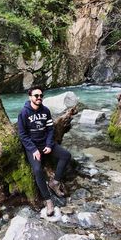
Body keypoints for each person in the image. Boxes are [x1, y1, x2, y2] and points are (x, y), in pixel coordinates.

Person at [17, 86, 71, 216]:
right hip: (33, 147)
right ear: (30, 97)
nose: (39, 98)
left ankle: (55, 182)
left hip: (45, 144)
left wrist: (49, 144)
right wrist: (33, 149)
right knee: (37, 170)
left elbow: (50, 129)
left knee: (66, 155)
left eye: (41, 95)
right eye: (36, 96)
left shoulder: (45, 111)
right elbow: (22, 134)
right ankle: (48, 200)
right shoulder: (23, 113)